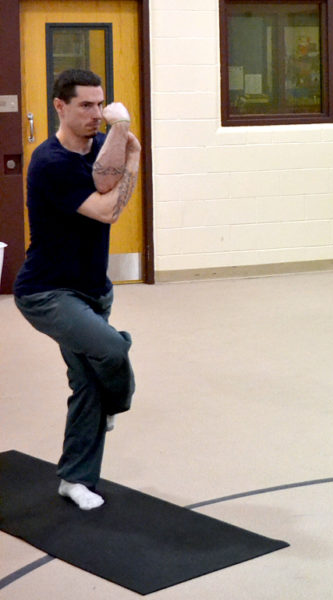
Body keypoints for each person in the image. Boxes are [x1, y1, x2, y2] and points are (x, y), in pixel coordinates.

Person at [14, 69, 141, 508]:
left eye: (101, 105)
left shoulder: (99, 154)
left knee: (86, 383)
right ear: (60, 106)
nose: (97, 114)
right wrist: (131, 156)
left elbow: (108, 182)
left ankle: (74, 479)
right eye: (86, 105)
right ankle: (115, 401)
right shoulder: (50, 162)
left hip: (93, 289)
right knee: (112, 350)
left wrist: (124, 154)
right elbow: (108, 210)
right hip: (47, 293)